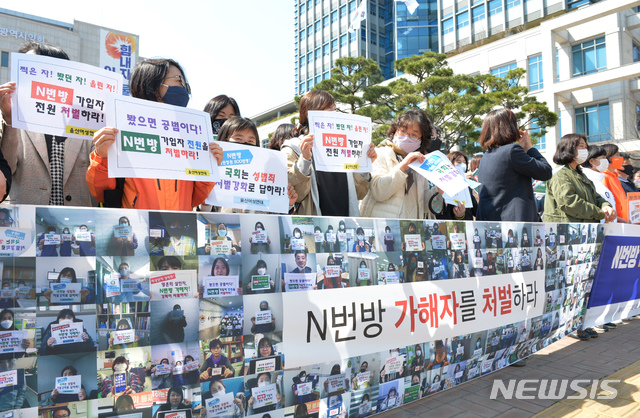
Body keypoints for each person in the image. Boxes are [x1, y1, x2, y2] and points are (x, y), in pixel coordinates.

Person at [87, 58, 223, 210]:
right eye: (178, 80)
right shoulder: (122, 129)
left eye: (184, 83)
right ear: (151, 83)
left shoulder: (190, 135)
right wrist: (102, 158)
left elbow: (197, 198)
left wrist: (209, 167)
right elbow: (101, 193)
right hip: (135, 230)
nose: (183, 88)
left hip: (178, 229)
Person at [1, 42, 86, 206]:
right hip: (27, 222)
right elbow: (7, 171)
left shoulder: (84, 118)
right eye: (25, 70)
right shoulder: (10, 115)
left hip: (78, 224)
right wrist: (10, 121)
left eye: (36, 70)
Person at [282, 90, 376, 216]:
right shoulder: (293, 148)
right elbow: (293, 194)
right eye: (326, 110)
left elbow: (360, 193)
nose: (333, 115)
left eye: (334, 110)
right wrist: (304, 160)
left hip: (346, 228)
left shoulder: (346, 145)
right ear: (309, 115)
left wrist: (363, 165)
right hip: (313, 229)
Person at [476, 109, 552, 221]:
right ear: (508, 127)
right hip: (515, 225)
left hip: (494, 221)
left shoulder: (486, 156)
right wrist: (529, 148)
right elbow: (545, 172)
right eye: (516, 123)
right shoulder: (512, 151)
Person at [360, 109, 432, 218]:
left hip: (411, 230)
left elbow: (423, 204)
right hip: (384, 227)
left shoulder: (419, 162)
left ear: (421, 139)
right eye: (403, 131)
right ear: (395, 131)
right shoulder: (380, 153)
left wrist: (439, 190)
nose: (407, 137)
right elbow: (378, 192)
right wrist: (403, 166)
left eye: (414, 134)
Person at [544, 134, 615, 223]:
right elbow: (569, 203)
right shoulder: (560, 173)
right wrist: (600, 213)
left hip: (583, 230)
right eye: (581, 146)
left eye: (586, 147)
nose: (585, 150)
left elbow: (595, 196)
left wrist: (606, 206)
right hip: (566, 231)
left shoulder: (579, 173)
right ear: (569, 148)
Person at [433, 151, 477, 220]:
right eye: (459, 162)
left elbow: (475, 210)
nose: (462, 165)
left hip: (468, 225)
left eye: (464, 162)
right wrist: (459, 216)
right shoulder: (443, 186)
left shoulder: (467, 186)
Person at [601, 143, 629, 222]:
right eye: (616, 155)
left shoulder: (615, 177)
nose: (620, 158)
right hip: (615, 223)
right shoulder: (604, 177)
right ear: (608, 157)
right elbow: (605, 202)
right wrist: (618, 219)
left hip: (623, 222)